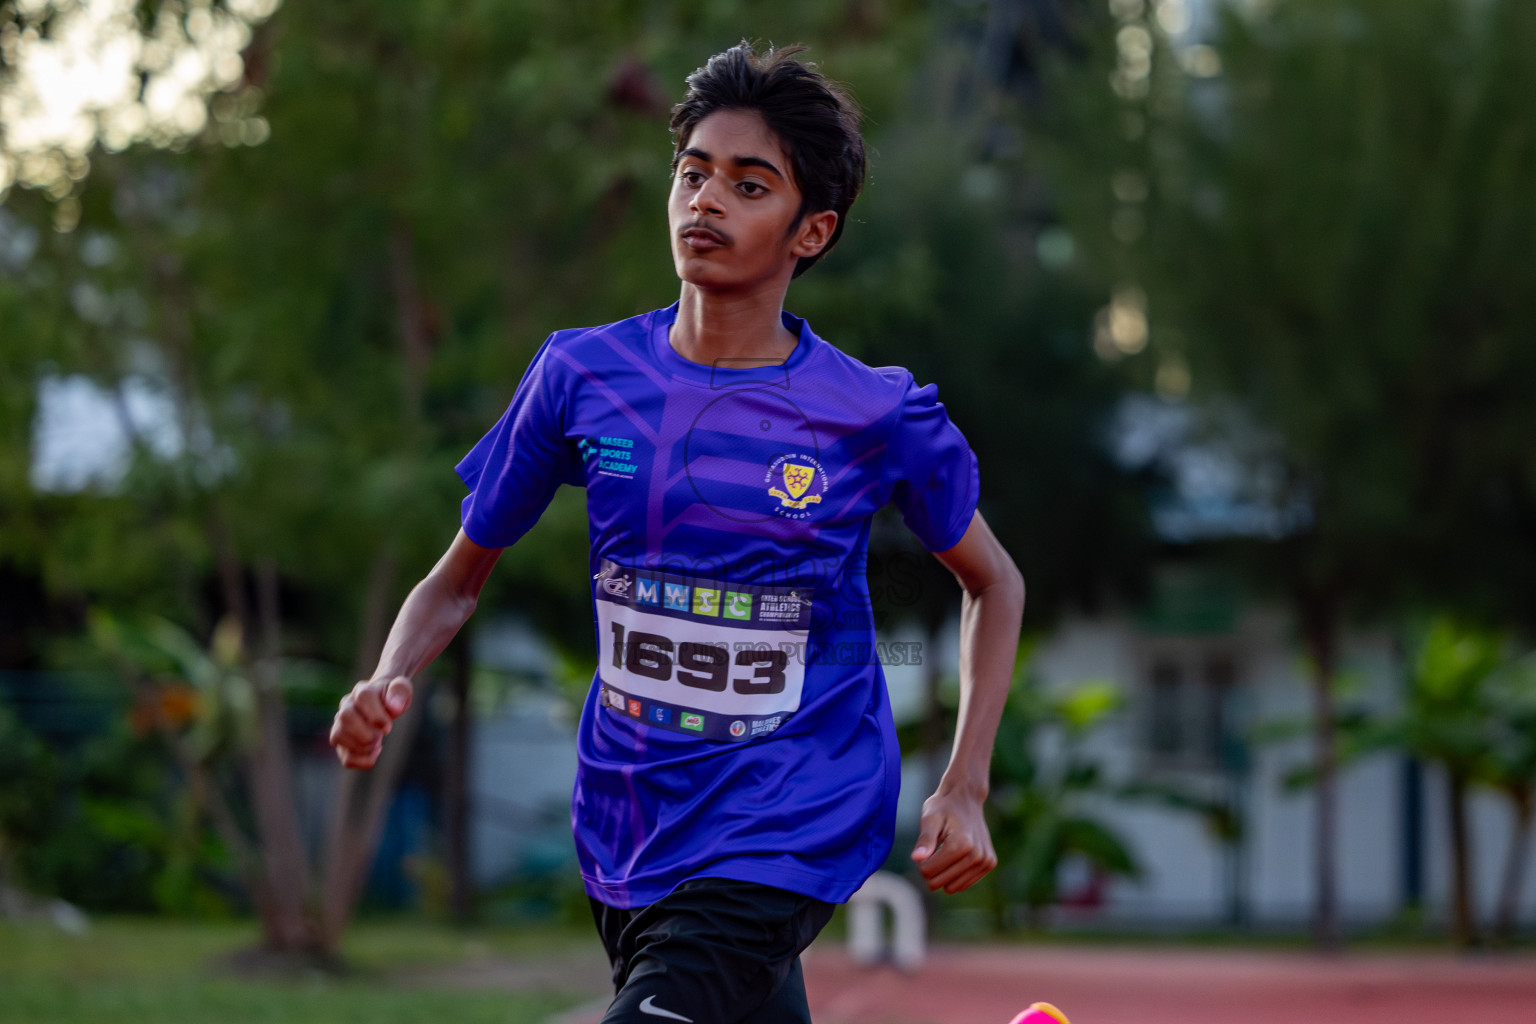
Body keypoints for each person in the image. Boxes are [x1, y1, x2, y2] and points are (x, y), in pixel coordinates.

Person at [330, 41, 1024, 1024]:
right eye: (693, 173)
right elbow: (456, 577)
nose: (706, 201)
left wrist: (965, 781)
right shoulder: (582, 377)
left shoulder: (871, 411)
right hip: (631, 822)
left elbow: (994, 582)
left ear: (810, 230)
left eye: (748, 185)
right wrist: (385, 674)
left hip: (794, 812)